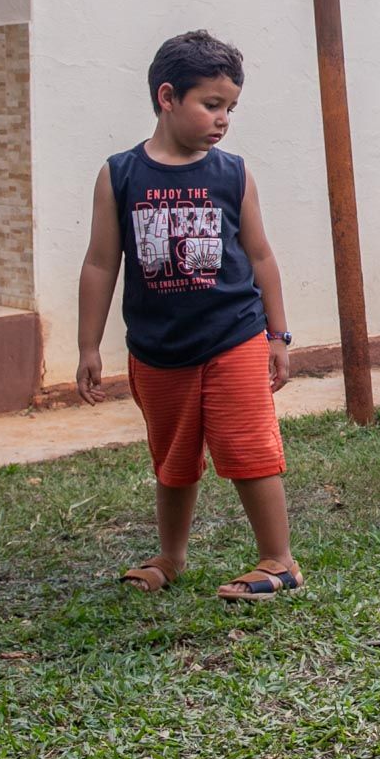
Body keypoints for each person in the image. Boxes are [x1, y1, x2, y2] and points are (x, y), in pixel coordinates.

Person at [75, 30, 302, 602]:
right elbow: (101, 264)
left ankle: (279, 561)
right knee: (173, 459)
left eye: (231, 108)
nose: (223, 119)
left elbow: (261, 256)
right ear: (168, 97)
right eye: (212, 105)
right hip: (157, 347)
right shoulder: (120, 175)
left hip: (235, 336)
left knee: (248, 447)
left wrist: (277, 333)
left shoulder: (232, 173)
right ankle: (170, 558)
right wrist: (88, 347)